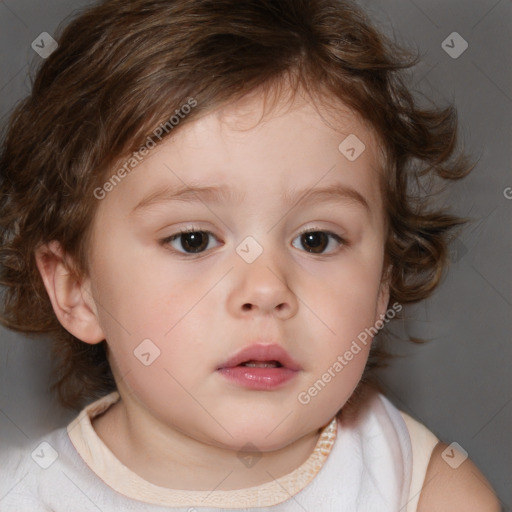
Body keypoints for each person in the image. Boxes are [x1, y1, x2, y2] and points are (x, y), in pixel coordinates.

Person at [0, 0, 501, 510]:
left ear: (381, 287)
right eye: (193, 239)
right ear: (76, 290)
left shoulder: (425, 491)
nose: (266, 288)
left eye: (316, 240)